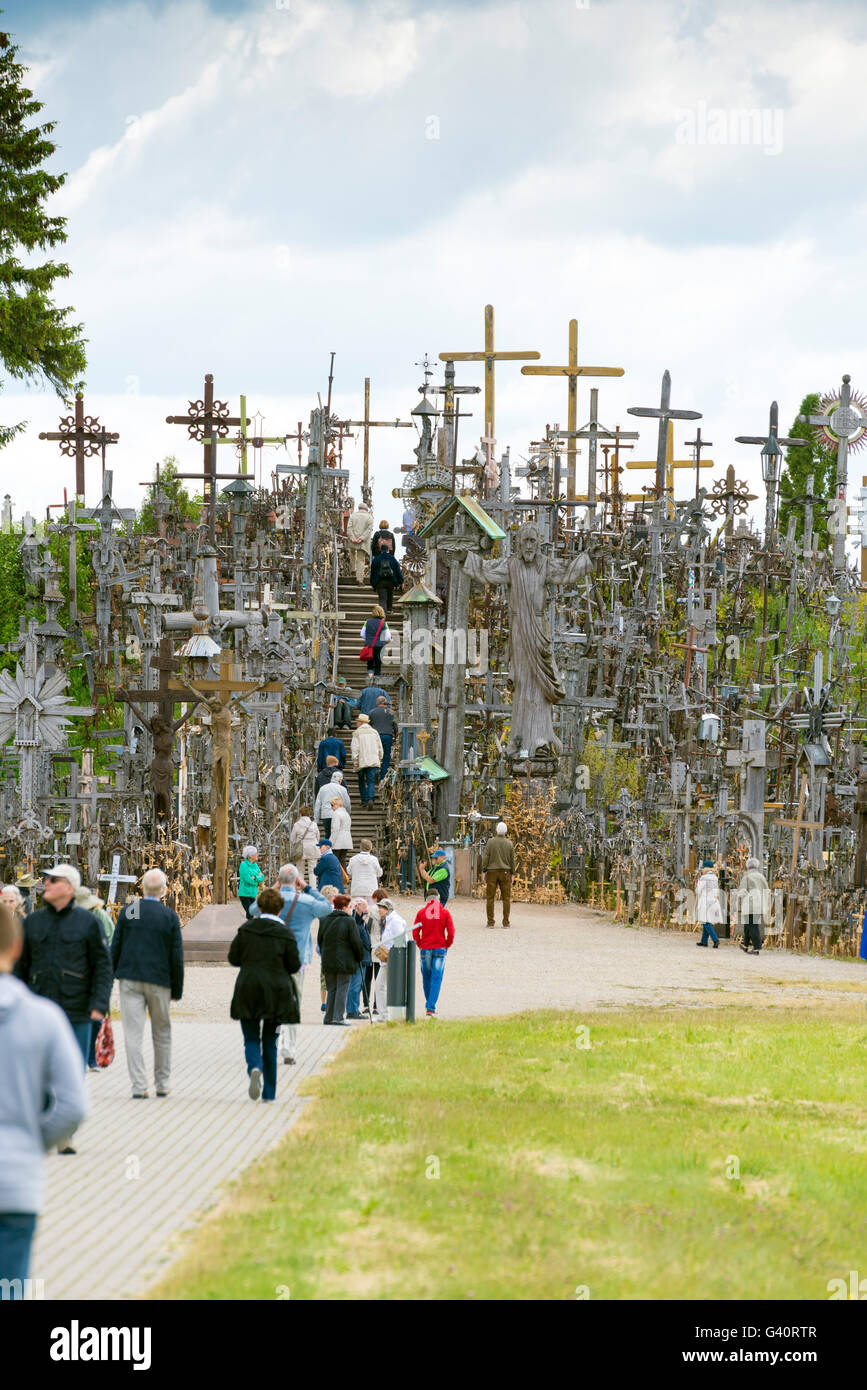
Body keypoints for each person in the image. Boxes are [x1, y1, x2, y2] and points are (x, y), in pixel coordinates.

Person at [0, 904, 88, 1291]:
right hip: (15, 1182)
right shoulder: (44, 1018)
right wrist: (32, 1142)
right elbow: (72, 1105)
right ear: (18, 947)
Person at [15, 864, 112, 1111]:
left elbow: (102, 966)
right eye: (46, 879)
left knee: (73, 1071)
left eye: (53, 880)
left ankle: (65, 1130)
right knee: (40, 1070)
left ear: (69, 887)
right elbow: (21, 968)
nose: (45, 883)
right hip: (39, 1009)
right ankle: (46, 1121)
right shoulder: (34, 923)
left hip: (76, 1010)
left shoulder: (88, 923)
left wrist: (99, 1005)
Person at [112, 867, 184, 1099]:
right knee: (162, 1032)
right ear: (164, 890)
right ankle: (162, 1083)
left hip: (131, 978)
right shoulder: (169, 916)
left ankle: (138, 1085)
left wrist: (114, 972)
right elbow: (176, 955)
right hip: (159, 980)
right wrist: (177, 987)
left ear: (141, 888)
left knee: (133, 1034)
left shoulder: (131, 911)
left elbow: (117, 944)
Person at [249, 865, 330, 1064]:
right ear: (296, 881)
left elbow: (252, 909)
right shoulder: (305, 901)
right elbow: (327, 907)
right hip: (296, 959)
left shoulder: (272, 900)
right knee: (293, 1004)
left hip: (271, 959)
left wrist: (273, 887)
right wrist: (308, 887)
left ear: (279, 879)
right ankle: (289, 1050)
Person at [229, 887, 300, 1101]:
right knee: (271, 1041)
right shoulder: (285, 933)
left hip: (249, 987)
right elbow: (294, 965)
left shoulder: (247, 929)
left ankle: (254, 1067)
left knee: (251, 1037)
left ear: (259, 907)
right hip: (277, 993)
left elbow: (234, 958)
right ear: (280, 909)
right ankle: (270, 1093)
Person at [75, 884, 117, 1070]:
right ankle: (81, 1058)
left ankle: (91, 1058)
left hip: (93, 974)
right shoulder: (69, 921)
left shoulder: (100, 918)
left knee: (95, 1019)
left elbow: (109, 940)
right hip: (77, 976)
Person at [317, 893, 363, 1025]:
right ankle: (338, 1017)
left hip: (328, 960)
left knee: (332, 988)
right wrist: (359, 957)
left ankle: (329, 1017)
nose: (350, 910)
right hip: (345, 961)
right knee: (342, 987)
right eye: (349, 907)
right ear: (344, 907)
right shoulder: (349, 921)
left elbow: (320, 940)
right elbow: (356, 942)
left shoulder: (325, 919)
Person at [412, 886, 455, 1018]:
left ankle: (429, 1005)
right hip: (440, 947)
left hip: (425, 948)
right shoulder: (445, 912)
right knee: (436, 978)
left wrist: (420, 943)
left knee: (426, 978)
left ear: (427, 899)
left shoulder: (421, 913)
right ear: (438, 898)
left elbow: (415, 931)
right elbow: (451, 932)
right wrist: (447, 944)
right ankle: (430, 1007)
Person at [373, 898, 408, 1020]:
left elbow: (400, 940)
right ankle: (384, 1015)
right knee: (380, 985)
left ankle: (396, 1015)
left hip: (393, 958)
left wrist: (392, 954)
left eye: (381, 907)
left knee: (393, 987)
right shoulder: (387, 920)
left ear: (388, 909)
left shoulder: (395, 921)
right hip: (387, 960)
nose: (379, 910)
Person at [480, 822, 514, 928]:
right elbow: (512, 860)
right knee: (506, 898)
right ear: (506, 831)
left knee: (490, 898)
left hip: (492, 872)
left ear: (496, 830)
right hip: (505, 872)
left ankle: (490, 922)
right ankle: (506, 922)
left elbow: (486, 857)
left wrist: (483, 870)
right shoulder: (509, 843)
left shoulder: (490, 842)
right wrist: (512, 873)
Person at [735, 856, 770, 955]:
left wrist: (738, 898)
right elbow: (766, 890)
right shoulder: (761, 877)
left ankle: (757, 947)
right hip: (760, 905)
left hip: (750, 904)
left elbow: (742, 891)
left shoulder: (747, 877)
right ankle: (745, 945)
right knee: (748, 925)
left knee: (752, 926)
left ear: (747, 866)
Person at [345, 898, 373, 1020]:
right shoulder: (354, 920)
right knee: (355, 984)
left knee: (358, 984)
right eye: (364, 907)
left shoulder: (361, 921)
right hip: (358, 957)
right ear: (358, 907)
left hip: (364, 956)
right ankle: (352, 1010)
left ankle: (353, 1009)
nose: (367, 910)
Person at [351, 712, 384, 806]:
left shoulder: (357, 733)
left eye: (358, 722)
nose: (357, 723)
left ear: (361, 722)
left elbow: (355, 748)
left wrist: (355, 760)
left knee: (361, 781)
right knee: (371, 781)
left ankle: (364, 800)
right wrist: (380, 758)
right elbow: (379, 747)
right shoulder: (374, 732)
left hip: (361, 761)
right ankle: (371, 799)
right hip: (373, 760)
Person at [314, 770, 351, 839]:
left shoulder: (323, 788)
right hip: (339, 815)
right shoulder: (343, 789)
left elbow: (318, 804)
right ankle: (337, 848)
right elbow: (347, 803)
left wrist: (316, 819)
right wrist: (347, 814)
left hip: (326, 814)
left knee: (328, 833)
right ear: (340, 780)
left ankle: (328, 848)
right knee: (339, 834)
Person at [694, 859, 722, 948]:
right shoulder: (715, 878)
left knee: (705, 921)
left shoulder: (703, 878)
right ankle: (704, 941)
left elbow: (698, 890)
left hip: (705, 900)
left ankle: (715, 939)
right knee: (706, 920)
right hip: (713, 900)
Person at [290, 805, 321, 885]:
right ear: (309, 814)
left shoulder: (297, 824)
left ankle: (300, 889)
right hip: (313, 847)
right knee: (312, 871)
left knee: (300, 870)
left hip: (301, 849)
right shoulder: (314, 824)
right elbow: (318, 837)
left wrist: (295, 845)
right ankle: (313, 890)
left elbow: (292, 839)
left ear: (300, 814)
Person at [369, 695, 396, 782]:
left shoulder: (372, 712)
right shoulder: (391, 712)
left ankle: (375, 772)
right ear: (385, 703)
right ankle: (383, 776)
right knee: (386, 756)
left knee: (375, 755)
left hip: (375, 736)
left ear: (377, 703)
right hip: (388, 735)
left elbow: (369, 724)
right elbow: (395, 725)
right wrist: (395, 734)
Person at [360, 605, 391, 679]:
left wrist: (369, 639)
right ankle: (377, 680)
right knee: (378, 664)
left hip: (369, 645)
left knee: (370, 664)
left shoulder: (367, 622)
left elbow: (362, 634)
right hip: (380, 646)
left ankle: (370, 676)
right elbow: (388, 637)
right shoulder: (384, 623)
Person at [347, 502, 374, 583]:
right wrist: (361, 538)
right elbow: (368, 530)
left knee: (352, 554)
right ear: (366, 509)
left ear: (358, 508)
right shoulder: (369, 517)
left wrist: (352, 538)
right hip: (362, 542)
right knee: (361, 560)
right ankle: (359, 579)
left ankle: (352, 569)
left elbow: (349, 528)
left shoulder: (353, 516)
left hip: (353, 540)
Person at [370, 547, 403, 613]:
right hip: (391, 581)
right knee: (390, 595)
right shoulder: (392, 558)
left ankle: (382, 613)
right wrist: (400, 581)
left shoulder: (376, 559)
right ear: (388, 550)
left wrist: (373, 584)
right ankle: (389, 609)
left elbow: (372, 572)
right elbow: (398, 570)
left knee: (382, 598)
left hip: (380, 581)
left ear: (381, 550)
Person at [238, 846, 264, 917]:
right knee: (250, 912)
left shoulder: (255, 865)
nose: (257, 855)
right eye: (256, 853)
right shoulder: (243, 865)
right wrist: (257, 879)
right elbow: (248, 880)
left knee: (252, 913)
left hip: (253, 894)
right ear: (251, 856)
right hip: (245, 894)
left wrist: (255, 877)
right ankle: (249, 927)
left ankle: (249, 926)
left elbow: (262, 877)